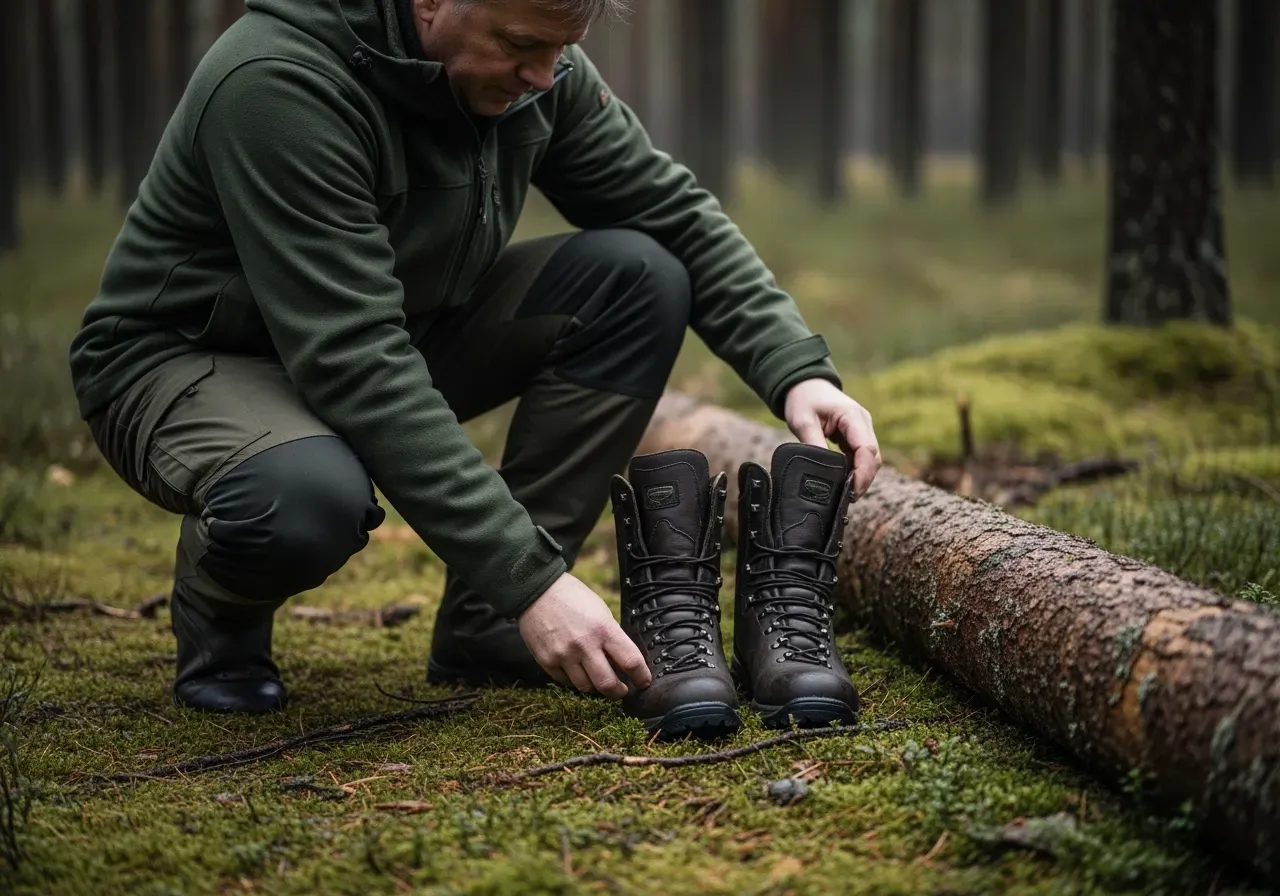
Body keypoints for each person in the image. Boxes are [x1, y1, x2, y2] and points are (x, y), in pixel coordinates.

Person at [68, 0, 881, 715]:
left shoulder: (540, 69)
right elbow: (353, 358)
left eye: (559, 51)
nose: (542, 75)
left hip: (389, 329)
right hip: (189, 359)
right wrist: (528, 575)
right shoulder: (278, 82)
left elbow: (670, 212)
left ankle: (489, 630)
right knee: (300, 497)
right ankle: (225, 618)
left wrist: (794, 366)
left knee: (637, 278)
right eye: (521, 45)